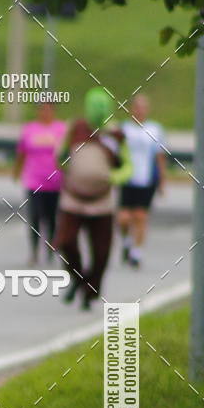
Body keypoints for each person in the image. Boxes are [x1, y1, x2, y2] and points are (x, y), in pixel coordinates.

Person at [55, 88, 132, 309]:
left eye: (102, 107)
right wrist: (65, 167)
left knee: (101, 251)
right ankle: (79, 279)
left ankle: (91, 290)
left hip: (102, 202)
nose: (98, 111)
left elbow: (128, 165)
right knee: (66, 241)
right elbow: (59, 155)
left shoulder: (116, 134)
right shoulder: (75, 128)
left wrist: (116, 176)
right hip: (73, 199)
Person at [13, 102, 66, 264]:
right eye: (42, 109)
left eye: (48, 109)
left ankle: (51, 248)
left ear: (53, 111)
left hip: (55, 181)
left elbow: (67, 153)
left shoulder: (61, 129)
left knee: (51, 217)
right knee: (35, 216)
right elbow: (22, 152)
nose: (45, 112)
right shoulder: (30, 129)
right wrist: (17, 171)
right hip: (34, 180)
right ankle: (34, 252)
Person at [117, 93, 166, 268]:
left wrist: (162, 180)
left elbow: (159, 156)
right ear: (131, 109)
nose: (140, 111)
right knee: (123, 218)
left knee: (140, 216)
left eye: (143, 107)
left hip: (146, 180)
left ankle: (137, 253)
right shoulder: (123, 129)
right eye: (137, 107)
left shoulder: (154, 129)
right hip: (127, 178)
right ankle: (126, 241)